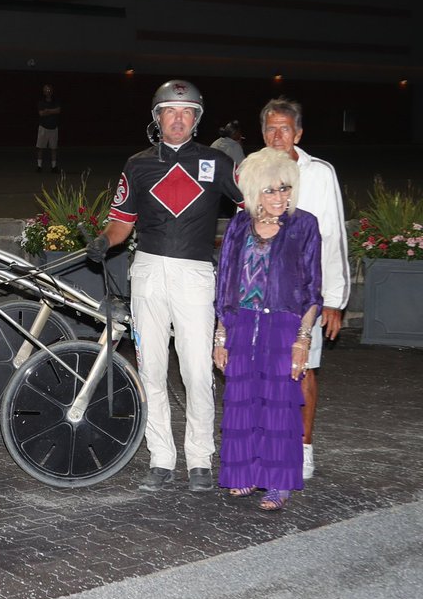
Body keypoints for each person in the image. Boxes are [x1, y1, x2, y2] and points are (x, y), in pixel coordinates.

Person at [87, 79, 243, 493]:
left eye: (186, 112)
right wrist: (105, 240)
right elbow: (122, 223)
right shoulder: (137, 165)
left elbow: (251, 208)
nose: (178, 119)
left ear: (197, 119)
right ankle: (160, 457)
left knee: (196, 371)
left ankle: (199, 458)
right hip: (149, 274)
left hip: (195, 276)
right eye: (170, 112)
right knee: (151, 370)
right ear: (157, 118)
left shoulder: (217, 162)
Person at [213, 147, 321, 511]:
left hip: (284, 325)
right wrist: (221, 336)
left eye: (285, 188)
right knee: (242, 400)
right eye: (271, 190)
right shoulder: (239, 226)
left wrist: (302, 341)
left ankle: (277, 483)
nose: (280, 197)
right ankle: (243, 474)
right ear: (254, 192)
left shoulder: (304, 225)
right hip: (241, 322)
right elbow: (225, 282)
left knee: (279, 405)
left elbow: (312, 290)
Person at [260, 97, 349, 480]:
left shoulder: (320, 173)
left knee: (303, 369)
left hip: (303, 293)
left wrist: (334, 300)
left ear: (298, 132)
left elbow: (333, 235)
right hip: (260, 292)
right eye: (270, 128)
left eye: (284, 128)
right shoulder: (251, 171)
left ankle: (304, 446)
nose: (277, 135)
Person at [36, 84, 61, 173]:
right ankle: (39, 166)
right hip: (43, 127)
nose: (48, 92)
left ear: (52, 91)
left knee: (53, 148)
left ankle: (54, 167)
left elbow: (58, 110)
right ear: (43, 92)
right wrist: (52, 111)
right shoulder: (41, 102)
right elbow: (41, 113)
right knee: (40, 148)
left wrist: (48, 111)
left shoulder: (56, 101)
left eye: (49, 90)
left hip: (53, 128)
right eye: (46, 90)